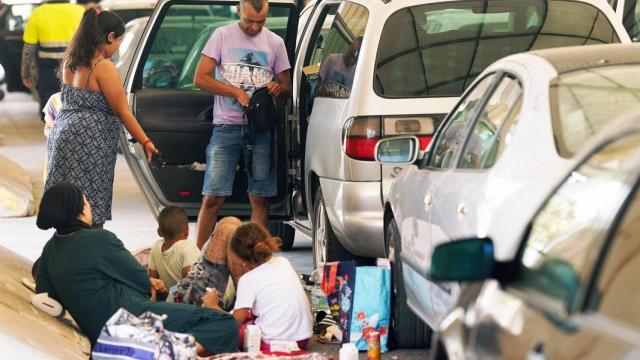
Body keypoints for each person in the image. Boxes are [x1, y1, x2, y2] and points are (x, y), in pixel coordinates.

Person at [35, 182, 238, 355]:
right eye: (87, 202)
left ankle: (166, 348)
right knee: (223, 323)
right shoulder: (99, 239)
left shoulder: (49, 252)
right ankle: (170, 352)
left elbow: (46, 294)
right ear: (80, 211)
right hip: (132, 318)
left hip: (101, 328)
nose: (90, 207)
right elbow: (141, 281)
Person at [45, 9, 159, 228]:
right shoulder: (103, 67)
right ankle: (88, 254)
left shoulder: (71, 60)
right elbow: (123, 111)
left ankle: (66, 253)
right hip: (91, 143)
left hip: (63, 136)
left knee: (67, 204)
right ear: (110, 37)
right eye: (118, 41)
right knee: (92, 207)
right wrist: (145, 141)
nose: (117, 48)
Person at [193, 0, 291, 248]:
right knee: (212, 196)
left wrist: (278, 89)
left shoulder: (275, 43)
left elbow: (287, 86)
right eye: (250, 21)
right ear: (238, 10)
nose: (255, 27)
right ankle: (198, 259)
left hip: (260, 129)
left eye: (261, 21)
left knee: (259, 198)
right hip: (226, 127)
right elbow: (200, 78)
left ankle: (255, 259)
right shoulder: (222, 35)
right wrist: (235, 93)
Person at [202, 223, 313, 351]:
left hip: (273, 344)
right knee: (248, 318)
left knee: (226, 333)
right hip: (303, 339)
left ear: (240, 259)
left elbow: (232, 325)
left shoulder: (247, 280)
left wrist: (213, 306)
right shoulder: (283, 262)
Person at [21, 0, 84, 120]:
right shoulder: (79, 11)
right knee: (74, 100)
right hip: (75, 64)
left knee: (49, 100)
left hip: (47, 67)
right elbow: (90, 42)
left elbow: (28, 48)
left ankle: (51, 130)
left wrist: (26, 73)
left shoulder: (38, 13)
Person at [174, 216, 242, 307]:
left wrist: (167, 291)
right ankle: (244, 298)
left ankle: (245, 296)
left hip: (179, 292)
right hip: (191, 308)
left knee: (230, 221)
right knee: (226, 231)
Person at [148, 206, 200, 297]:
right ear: (187, 231)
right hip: (182, 301)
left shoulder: (155, 247)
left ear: (159, 232)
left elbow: (153, 281)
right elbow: (189, 285)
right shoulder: (188, 247)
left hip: (167, 297)